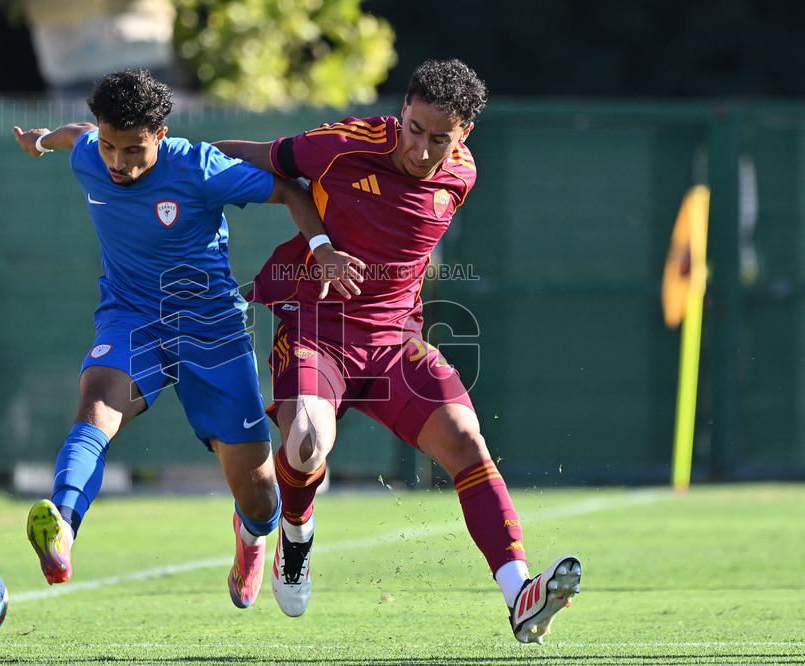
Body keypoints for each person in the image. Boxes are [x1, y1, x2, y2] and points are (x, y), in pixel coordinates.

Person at [215, 59, 580, 642]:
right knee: (306, 443)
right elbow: (267, 158)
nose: (422, 148)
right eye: (414, 128)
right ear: (401, 112)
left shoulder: (462, 175)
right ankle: (295, 536)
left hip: (394, 341)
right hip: (316, 329)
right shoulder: (341, 146)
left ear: (464, 136)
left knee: (465, 440)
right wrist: (170, 154)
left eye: (440, 138)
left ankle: (519, 595)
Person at [11, 69, 363, 609]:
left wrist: (320, 247)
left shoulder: (198, 166)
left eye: (133, 151)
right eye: (109, 146)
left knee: (264, 501)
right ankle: (63, 525)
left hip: (211, 331)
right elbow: (73, 134)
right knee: (95, 410)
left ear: (161, 134)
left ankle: (250, 541)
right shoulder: (90, 153)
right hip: (131, 319)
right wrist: (37, 142)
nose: (117, 163)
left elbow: (290, 189)